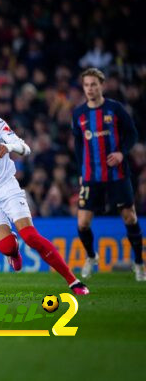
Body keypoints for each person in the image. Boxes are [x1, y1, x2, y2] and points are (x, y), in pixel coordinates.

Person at [0, 93, 89, 295]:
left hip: (7, 187)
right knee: (6, 247)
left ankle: (73, 281)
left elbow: (25, 148)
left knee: (30, 236)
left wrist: (9, 146)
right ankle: (12, 251)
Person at [73, 68, 143, 281]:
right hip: (91, 176)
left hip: (117, 174)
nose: (90, 89)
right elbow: (78, 145)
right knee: (82, 223)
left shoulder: (115, 109)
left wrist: (122, 152)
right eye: (87, 85)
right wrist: (80, 172)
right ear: (83, 87)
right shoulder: (78, 113)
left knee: (129, 217)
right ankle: (91, 257)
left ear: (101, 85)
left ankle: (139, 263)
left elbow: (132, 134)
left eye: (94, 84)